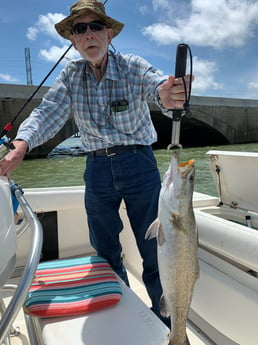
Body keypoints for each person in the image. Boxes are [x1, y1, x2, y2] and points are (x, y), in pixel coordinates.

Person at [0, 0, 192, 325]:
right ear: (72, 40)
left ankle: (167, 323)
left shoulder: (131, 65)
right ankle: (123, 312)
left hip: (139, 164)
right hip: (98, 169)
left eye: (95, 26)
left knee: (154, 248)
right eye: (80, 29)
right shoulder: (70, 76)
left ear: (109, 34)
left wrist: (168, 92)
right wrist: (22, 143)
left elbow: (156, 84)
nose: (89, 34)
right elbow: (48, 112)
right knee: (104, 249)